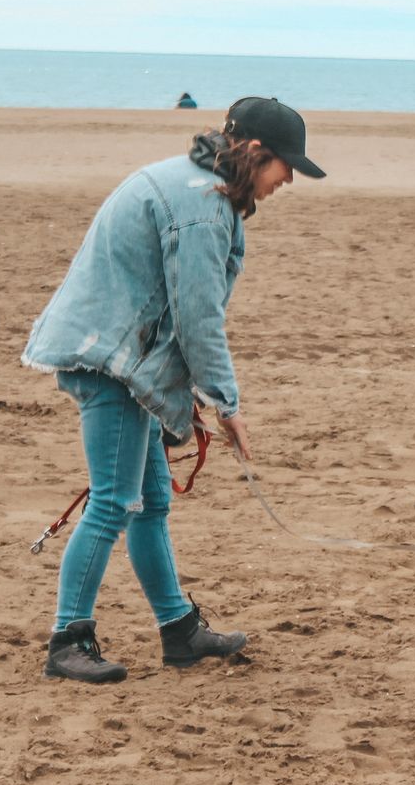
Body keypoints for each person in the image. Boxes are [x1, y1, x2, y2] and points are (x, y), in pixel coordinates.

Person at [22, 97, 325, 683]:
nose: (288, 180)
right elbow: (196, 316)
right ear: (256, 153)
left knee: (151, 503)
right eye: (286, 166)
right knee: (113, 502)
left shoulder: (192, 184)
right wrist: (225, 402)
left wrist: (181, 394)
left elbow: (168, 303)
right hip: (107, 360)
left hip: (119, 356)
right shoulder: (202, 207)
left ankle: (179, 630)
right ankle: (68, 640)